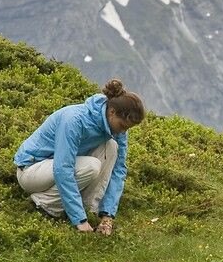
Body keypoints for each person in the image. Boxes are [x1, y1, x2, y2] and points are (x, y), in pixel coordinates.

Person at [14, 79, 145, 234]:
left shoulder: (116, 129)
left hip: (54, 168)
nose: (123, 132)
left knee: (112, 147)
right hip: (31, 170)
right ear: (111, 112)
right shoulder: (74, 120)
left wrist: (107, 215)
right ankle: (45, 205)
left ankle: (86, 207)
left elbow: (118, 170)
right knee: (91, 166)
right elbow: (63, 169)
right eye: (123, 126)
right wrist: (79, 220)